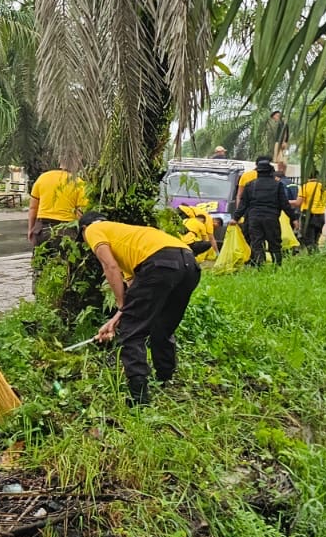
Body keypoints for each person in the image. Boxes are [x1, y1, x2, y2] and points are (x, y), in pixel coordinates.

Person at [81, 212, 201, 404]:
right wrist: (114, 320)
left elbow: (110, 266)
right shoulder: (131, 241)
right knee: (162, 325)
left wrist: (121, 308)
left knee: (132, 330)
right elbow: (135, 301)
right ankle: (165, 378)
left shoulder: (94, 229)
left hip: (159, 263)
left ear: (84, 229)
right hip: (189, 264)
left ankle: (139, 397)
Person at [234, 156, 292, 266]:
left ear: (257, 171)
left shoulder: (250, 185)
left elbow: (243, 203)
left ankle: (260, 267)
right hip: (271, 218)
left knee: (256, 243)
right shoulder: (277, 185)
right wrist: (293, 218)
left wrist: (235, 218)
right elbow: (284, 203)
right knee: (274, 244)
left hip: (254, 218)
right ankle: (277, 267)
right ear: (271, 171)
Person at [27, 162, 88, 247]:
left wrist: (30, 229)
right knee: (63, 259)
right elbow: (79, 212)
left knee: (41, 257)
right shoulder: (78, 182)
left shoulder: (43, 178)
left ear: (60, 161)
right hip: (66, 231)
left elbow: (33, 208)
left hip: (41, 229)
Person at [296, 177, 326, 250]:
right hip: (321, 216)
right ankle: (315, 255)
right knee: (316, 240)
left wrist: (287, 202)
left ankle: (312, 256)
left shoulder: (305, 186)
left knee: (309, 240)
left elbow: (298, 202)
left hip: (308, 216)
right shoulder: (324, 188)